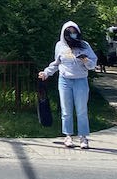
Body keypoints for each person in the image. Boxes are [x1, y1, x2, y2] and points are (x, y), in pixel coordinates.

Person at [38, 20, 98, 149]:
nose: (72, 35)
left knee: (81, 110)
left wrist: (86, 60)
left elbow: (93, 64)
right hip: (65, 80)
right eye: (69, 32)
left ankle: (83, 137)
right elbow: (56, 63)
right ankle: (68, 136)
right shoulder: (60, 46)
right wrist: (46, 73)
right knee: (66, 110)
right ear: (64, 33)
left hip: (81, 80)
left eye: (74, 32)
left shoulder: (84, 45)